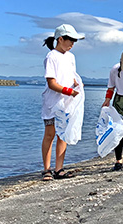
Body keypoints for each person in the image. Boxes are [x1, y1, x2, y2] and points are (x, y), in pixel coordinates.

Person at [41, 24, 85, 181]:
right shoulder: (51, 57)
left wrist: (77, 84)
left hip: (67, 102)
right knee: (50, 134)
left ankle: (59, 168)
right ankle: (47, 169)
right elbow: (52, 83)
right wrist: (68, 91)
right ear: (60, 39)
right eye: (70, 40)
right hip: (52, 103)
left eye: (74, 41)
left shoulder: (71, 57)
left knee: (63, 135)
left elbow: (71, 76)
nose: (73, 44)